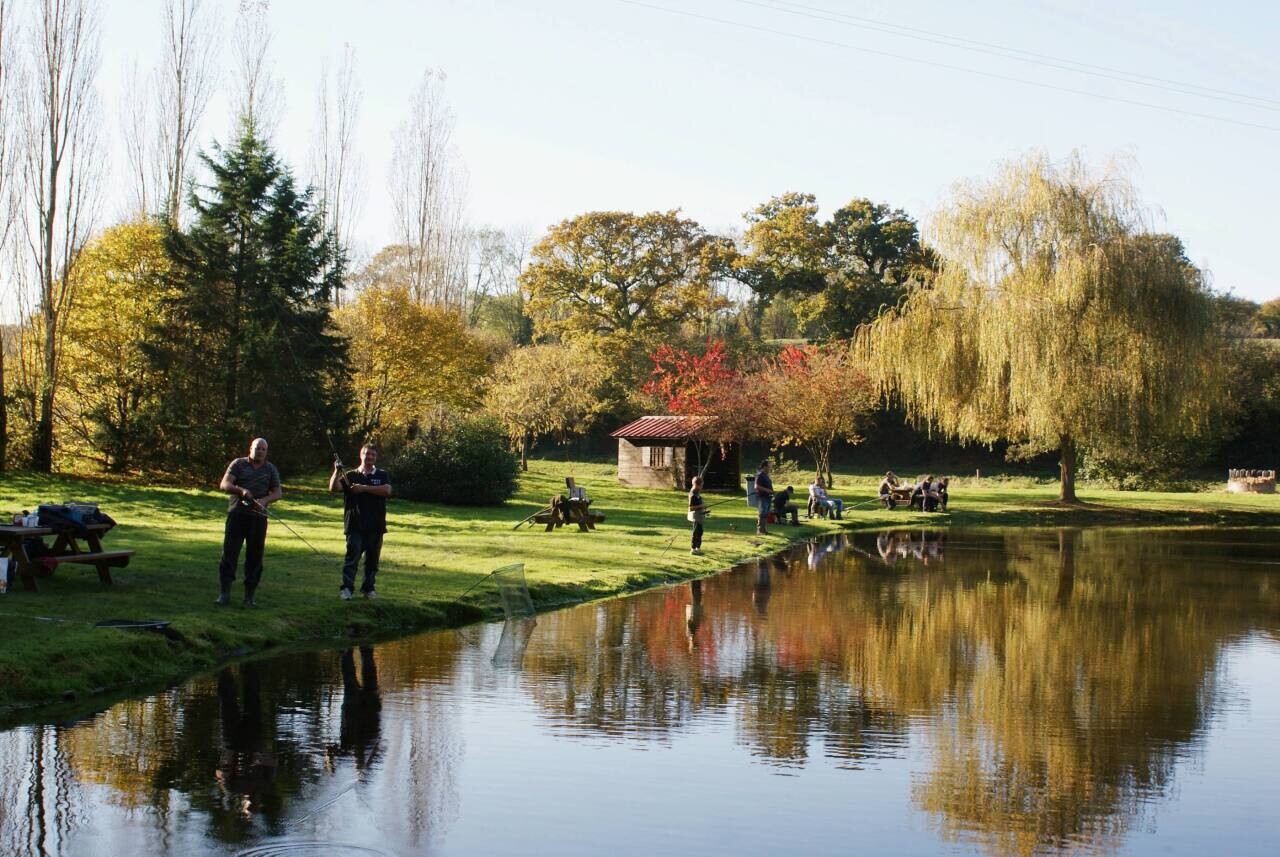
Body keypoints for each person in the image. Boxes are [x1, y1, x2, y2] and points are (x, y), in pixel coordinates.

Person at [217, 437, 282, 606]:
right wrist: (241, 491)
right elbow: (224, 484)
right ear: (250, 448)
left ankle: (249, 596)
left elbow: (277, 492)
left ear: (266, 452)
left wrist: (265, 501)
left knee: (255, 557)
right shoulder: (238, 464)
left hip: (258, 519)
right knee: (229, 554)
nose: (259, 451)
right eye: (257, 448)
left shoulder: (270, 469)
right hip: (237, 514)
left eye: (263, 449)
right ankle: (224, 593)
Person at [330, 442, 392, 600]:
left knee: (372, 562)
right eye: (367, 453)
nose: (369, 457)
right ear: (361, 455)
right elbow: (333, 488)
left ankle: (368, 589)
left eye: (373, 454)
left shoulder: (382, 474)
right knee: (352, 559)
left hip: (376, 526)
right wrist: (337, 471)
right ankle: (347, 590)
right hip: (355, 525)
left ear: (376, 457)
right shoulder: (350, 475)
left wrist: (363, 488)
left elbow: (387, 490)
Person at [753, 460, 774, 535]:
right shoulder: (760, 475)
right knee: (762, 513)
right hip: (762, 497)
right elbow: (756, 486)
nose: (770, 468)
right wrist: (767, 490)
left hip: (767, 497)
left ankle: (763, 530)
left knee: (765, 513)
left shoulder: (765, 475)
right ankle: (760, 530)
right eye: (769, 467)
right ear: (764, 467)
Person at [687, 475, 707, 555]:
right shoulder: (692, 494)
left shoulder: (697, 493)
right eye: (701, 485)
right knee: (695, 532)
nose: (702, 487)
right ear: (696, 485)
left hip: (699, 515)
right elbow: (691, 508)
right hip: (695, 516)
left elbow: (698, 505)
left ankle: (698, 548)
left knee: (700, 532)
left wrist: (704, 509)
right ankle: (693, 549)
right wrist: (701, 506)